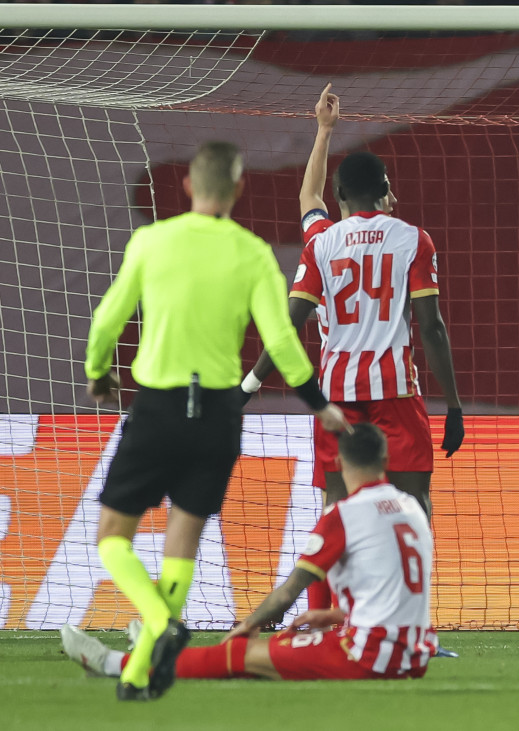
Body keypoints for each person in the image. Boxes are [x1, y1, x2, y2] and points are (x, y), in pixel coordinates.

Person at [83, 141, 349, 700]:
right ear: (238, 190)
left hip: (157, 406)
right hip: (220, 416)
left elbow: (107, 316)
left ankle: (160, 624)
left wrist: (99, 372)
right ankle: (138, 677)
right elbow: (279, 337)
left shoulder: (153, 241)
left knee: (112, 537)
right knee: (182, 541)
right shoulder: (251, 252)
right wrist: (317, 400)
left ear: (187, 187)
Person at [242, 85, 465, 609]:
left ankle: (323, 616)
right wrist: (453, 403)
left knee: (335, 503)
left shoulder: (322, 241)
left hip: (336, 394)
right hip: (395, 391)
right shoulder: (414, 238)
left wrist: (323, 130)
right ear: (386, 190)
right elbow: (431, 328)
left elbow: (291, 319)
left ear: (342, 200)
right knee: (413, 504)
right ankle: (415, 620)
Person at [61, 423, 438, 683]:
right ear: (386, 462)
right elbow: (398, 589)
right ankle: (151, 642)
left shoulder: (344, 515)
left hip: (371, 657)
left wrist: (246, 625)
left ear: (337, 464)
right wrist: (339, 614)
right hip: (414, 652)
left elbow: (286, 594)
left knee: (239, 653)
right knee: (282, 647)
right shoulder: (412, 509)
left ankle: (115, 663)